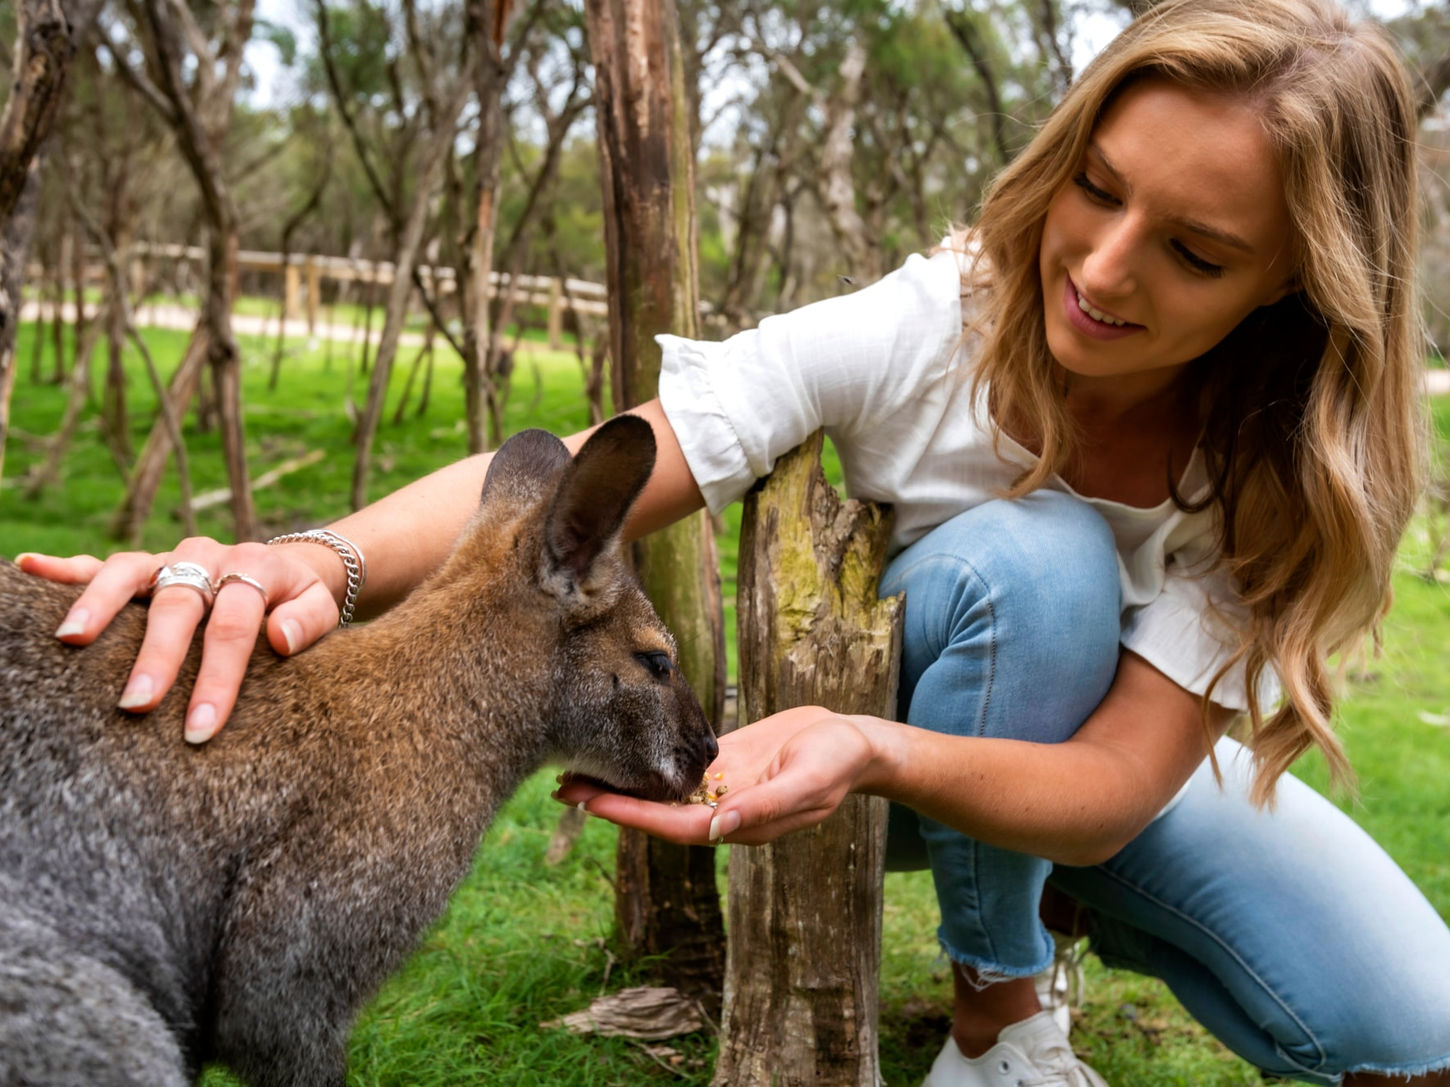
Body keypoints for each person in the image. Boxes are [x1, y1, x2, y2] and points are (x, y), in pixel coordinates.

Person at [18, 0, 1450, 1083]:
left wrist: (886, 754)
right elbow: (603, 466)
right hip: (852, 748)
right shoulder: (939, 315)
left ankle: (1052, 911)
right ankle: (995, 1016)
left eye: (1193, 252)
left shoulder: (1280, 466)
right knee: (1037, 565)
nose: (1097, 266)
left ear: (1290, 286)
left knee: (1416, 1026)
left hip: (1081, 774)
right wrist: (308, 562)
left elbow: (1107, 782)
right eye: (1096, 185)